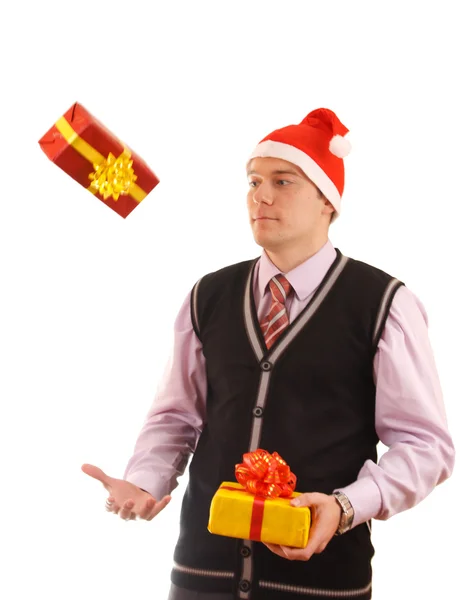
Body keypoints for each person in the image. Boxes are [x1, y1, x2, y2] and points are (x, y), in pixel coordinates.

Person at [82, 107, 455, 600]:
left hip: (322, 586)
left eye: (283, 181)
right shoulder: (208, 295)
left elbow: (425, 446)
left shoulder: (384, 304)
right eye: (254, 181)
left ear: (328, 200)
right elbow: (176, 417)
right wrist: (146, 481)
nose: (260, 195)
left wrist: (346, 507)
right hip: (201, 578)